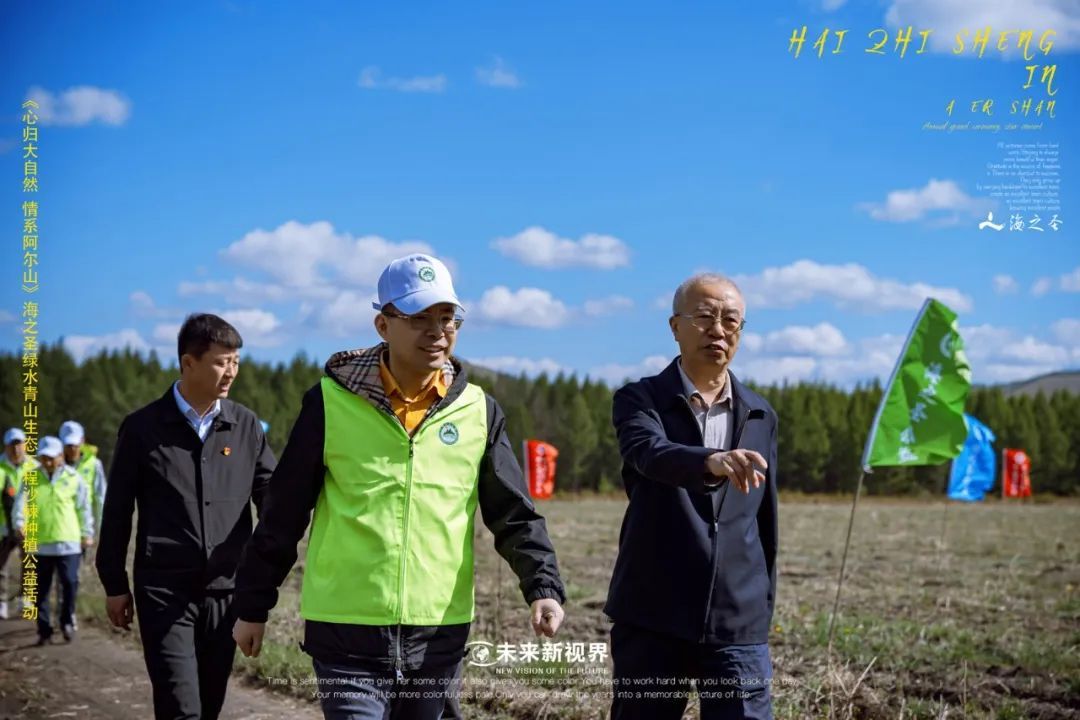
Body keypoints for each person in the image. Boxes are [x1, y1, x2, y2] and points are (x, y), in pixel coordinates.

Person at [231, 253, 567, 720]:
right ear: (383, 324)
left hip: (438, 635)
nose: (437, 331)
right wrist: (253, 604)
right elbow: (283, 514)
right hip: (346, 631)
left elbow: (514, 514)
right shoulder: (329, 403)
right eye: (419, 318)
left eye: (447, 318)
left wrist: (543, 587)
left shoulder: (478, 411)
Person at [605, 273, 779, 720]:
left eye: (731, 320)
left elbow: (765, 521)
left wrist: (761, 604)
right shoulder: (640, 399)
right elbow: (649, 452)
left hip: (737, 622)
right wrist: (709, 462)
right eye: (704, 317)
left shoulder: (760, 414)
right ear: (675, 326)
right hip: (653, 613)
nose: (718, 331)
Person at [96, 313, 276, 720]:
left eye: (235, 362)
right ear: (188, 362)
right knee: (182, 709)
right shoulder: (142, 429)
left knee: (209, 707)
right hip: (164, 592)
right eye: (220, 361)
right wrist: (113, 581)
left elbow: (272, 501)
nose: (231, 372)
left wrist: (263, 577)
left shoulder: (245, 425)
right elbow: (118, 510)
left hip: (225, 592)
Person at [13, 435, 93, 644]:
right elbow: (20, 503)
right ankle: (44, 630)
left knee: (70, 583)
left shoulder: (74, 478)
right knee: (41, 590)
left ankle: (66, 621)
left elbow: (84, 509)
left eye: (51, 458)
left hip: (69, 542)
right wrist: (20, 522)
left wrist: (87, 533)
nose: (47, 462)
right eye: (44, 458)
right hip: (41, 543)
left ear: (60, 456)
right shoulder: (31, 478)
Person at [0, 428, 38, 619]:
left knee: (29, 563)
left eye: (19, 444)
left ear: (25, 444)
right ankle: (1, 602)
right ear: (5, 446)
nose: (16, 449)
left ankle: (27, 598)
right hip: (3, 526)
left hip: (28, 525)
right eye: (12, 444)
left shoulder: (34, 466)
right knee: (1, 566)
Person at [58, 420, 107, 534]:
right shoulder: (52, 465)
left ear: (83, 440)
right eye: (68, 445)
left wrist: (102, 527)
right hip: (59, 526)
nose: (72, 449)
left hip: (83, 526)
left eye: (75, 444)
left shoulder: (94, 464)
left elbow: (101, 496)